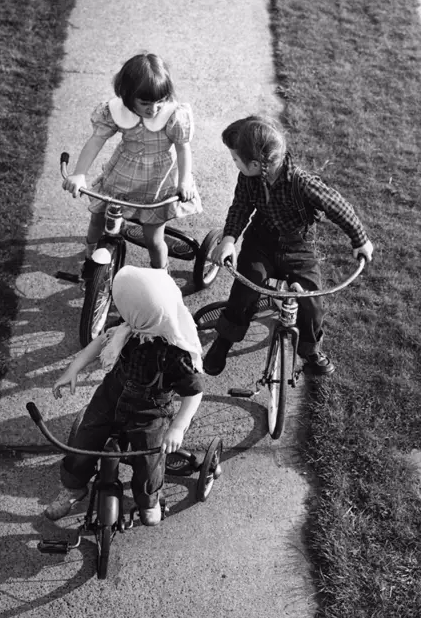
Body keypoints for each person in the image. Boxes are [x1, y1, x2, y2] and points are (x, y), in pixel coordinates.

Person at [203, 115, 374, 377]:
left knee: (311, 302)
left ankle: (311, 350)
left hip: (298, 248)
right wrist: (229, 240)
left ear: (258, 163)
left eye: (236, 160)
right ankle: (225, 339)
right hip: (261, 241)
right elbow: (240, 208)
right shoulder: (249, 179)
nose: (235, 164)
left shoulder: (302, 183)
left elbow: (338, 206)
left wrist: (360, 240)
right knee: (246, 286)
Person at [45, 265, 204, 526]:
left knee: (149, 460)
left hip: (149, 413)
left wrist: (178, 426)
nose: (120, 312)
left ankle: (148, 498)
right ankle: (74, 486)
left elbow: (194, 392)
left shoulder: (175, 353)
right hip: (110, 397)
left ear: (143, 313)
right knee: (85, 439)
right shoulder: (129, 325)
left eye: (124, 306)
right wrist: (73, 368)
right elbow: (101, 341)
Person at [63, 52, 202, 270]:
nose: (153, 109)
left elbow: (183, 149)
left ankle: (159, 276)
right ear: (128, 96)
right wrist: (79, 173)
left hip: (157, 184)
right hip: (122, 177)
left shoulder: (172, 115)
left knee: (154, 239)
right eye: (145, 103)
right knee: (98, 218)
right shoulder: (117, 111)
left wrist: (184, 181)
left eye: (160, 101)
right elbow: (96, 140)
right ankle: (91, 259)